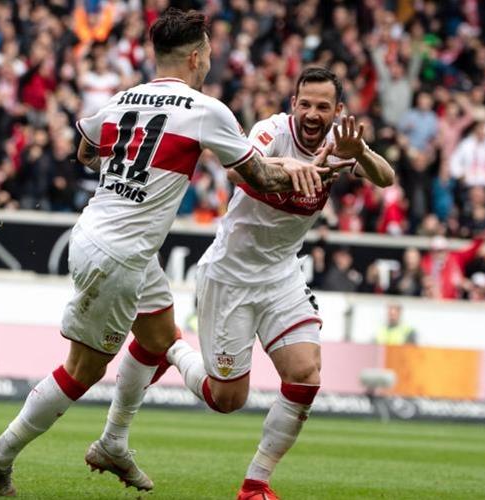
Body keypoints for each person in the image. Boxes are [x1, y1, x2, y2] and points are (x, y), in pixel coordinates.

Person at [0, 9, 333, 497]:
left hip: (112, 239)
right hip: (119, 254)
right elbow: (260, 177)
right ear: (197, 55)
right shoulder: (206, 109)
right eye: (208, 52)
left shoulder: (124, 98)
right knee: (84, 369)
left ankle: (114, 442)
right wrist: (306, 169)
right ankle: (0, 454)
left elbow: (85, 149)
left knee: (161, 337)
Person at [149, 67, 394, 499]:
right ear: (293, 104)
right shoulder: (271, 131)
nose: (312, 114)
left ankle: (255, 484)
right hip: (231, 276)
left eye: (323, 106)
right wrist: (290, 168)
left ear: (337, 110)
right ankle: (171, 346)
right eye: (305, 104)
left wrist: (364, 154)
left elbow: (385, 177)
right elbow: (238, 172)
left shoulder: (343, 141)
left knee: (306, 376)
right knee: (226, 399)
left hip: (282, 274)